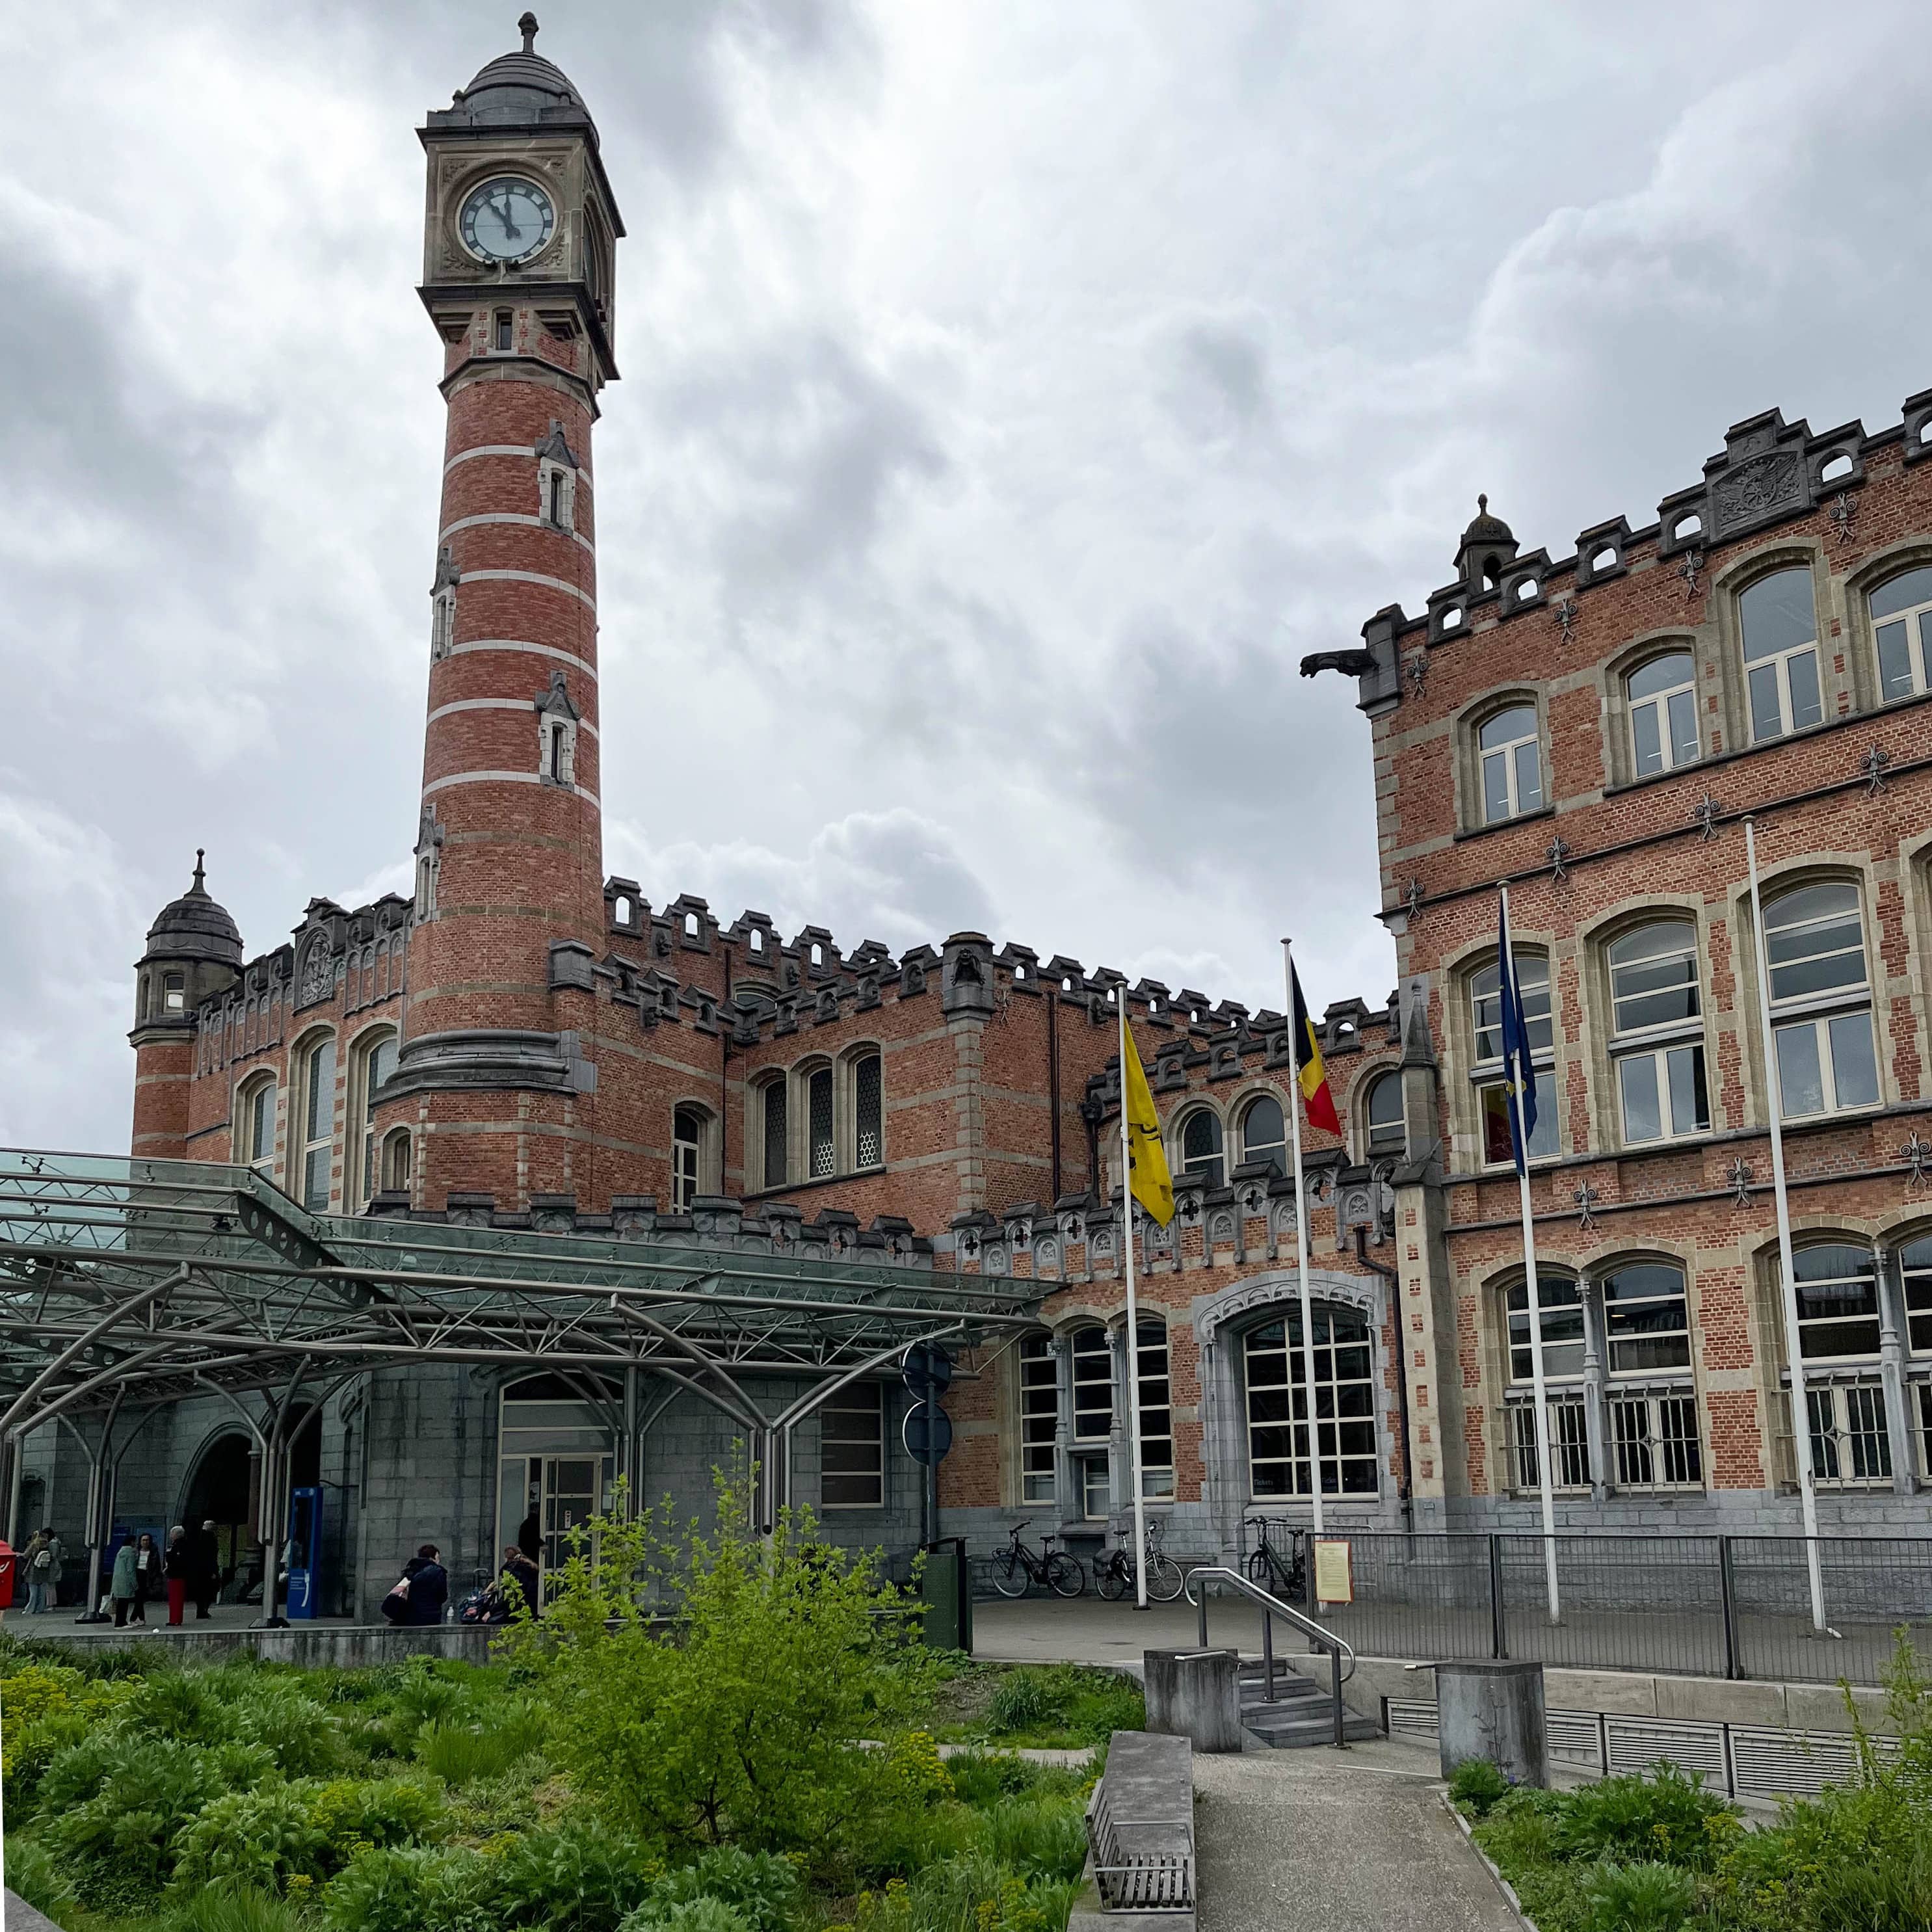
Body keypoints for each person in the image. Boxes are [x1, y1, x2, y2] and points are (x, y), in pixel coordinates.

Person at [401, 1543, 449, 1626]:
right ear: (432, 1558)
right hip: (431, 1617)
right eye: (437, 1558)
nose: (438, 1561)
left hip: (410, 1617)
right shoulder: (438, 1571)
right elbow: (442, 1597)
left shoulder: (409, 1570)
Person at [21, 1526, 60, 1614]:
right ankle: (40, 1608)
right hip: (44, 1570)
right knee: (42, 1592)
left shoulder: (34, 1544)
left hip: (33, 1570)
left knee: (33, 1592)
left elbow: (26, 1555)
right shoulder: (48, 1544)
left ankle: (30, 1609)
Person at [128, 1531, 163, 1624]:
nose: (145, 1542)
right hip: (138, 1574)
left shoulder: (153, 1552)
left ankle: (136, 1618)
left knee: (141, 1598)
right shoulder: (136, 1552)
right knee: (139, 1598)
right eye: (143, 1540)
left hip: (148, 1575)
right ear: (140, 1541)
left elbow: (157, 1566)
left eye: (147, 1540)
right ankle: (139, 1618)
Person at [500, 1543, 540, 1621]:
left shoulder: (511, 1571)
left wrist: (491, 1611)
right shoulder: (529, 1568)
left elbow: (507, 1597)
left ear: (506, 1558)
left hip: (517, 1611)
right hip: (532, 1609)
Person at [191, 1518, 220, 1618]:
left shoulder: (197, 1537)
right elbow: (209, 1556)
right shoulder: (209, 1538)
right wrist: (212, 1571)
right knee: (208, 1591)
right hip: (207, 1569)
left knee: (200, 1592)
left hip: (199, 1570)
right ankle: (203, 1611)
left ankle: (201, 1611)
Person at [163, 1525, 191, 1626]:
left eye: (172, 1533)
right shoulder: (181, 1545)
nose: (171, 1535)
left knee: (175, 1599)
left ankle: (175, 1619)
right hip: (178, 1574)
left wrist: (168, 1568)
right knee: (176, 1598)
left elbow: (175, 1560)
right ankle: (176, 1619)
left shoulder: (179, 1546)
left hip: (176, 1574)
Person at [110, 1537, 139, 1628]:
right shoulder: (130, 1553)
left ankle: (120, 1622)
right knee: (124, 1603)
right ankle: (121, 1622)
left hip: (118, 1580)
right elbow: (131, 1570)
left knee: (121, 1602)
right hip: (126, 1581)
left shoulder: (121, 1552)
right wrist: (135, 1584)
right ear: (132, 1542)